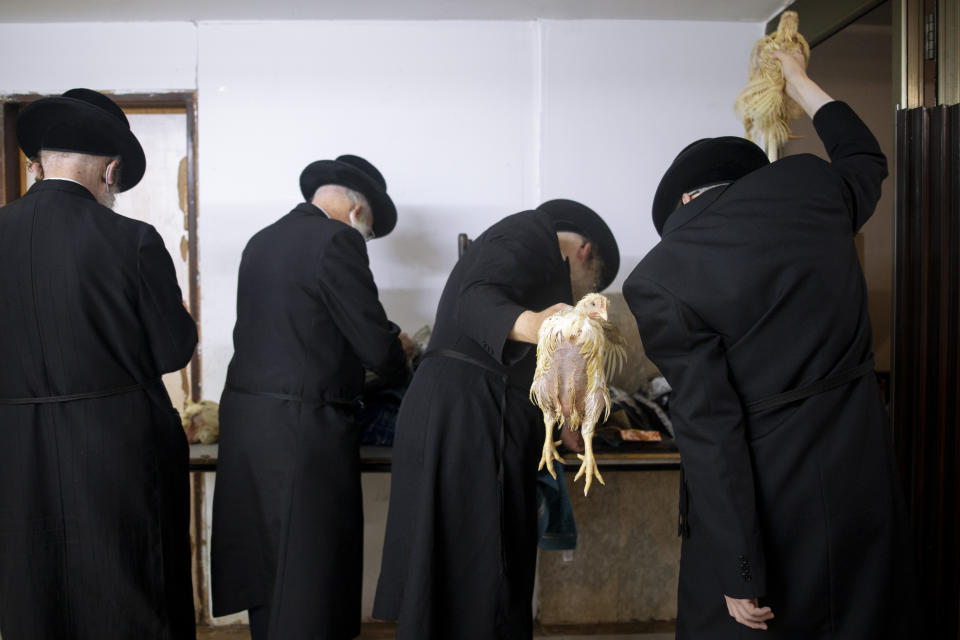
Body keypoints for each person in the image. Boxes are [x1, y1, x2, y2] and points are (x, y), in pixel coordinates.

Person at [623, 52, 911, 638]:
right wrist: (801, 82)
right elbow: (865, 156)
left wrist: (739, 567)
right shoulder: (814, 190)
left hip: (768, 490)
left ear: (682, 203)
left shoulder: (659, 276)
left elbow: (711, 429)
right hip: (861, 468)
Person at [0, 88, 198, 639]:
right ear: (110, 170)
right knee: (132, 591)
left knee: (35, 591)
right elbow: (171, 349)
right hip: (117, 448)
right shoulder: (131, 239)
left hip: (16, 448)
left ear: (40, 165)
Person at [374, 199, 619, 639]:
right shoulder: (529, 232)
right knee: (482, 578)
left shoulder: (533, 259)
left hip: (466, 412)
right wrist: (543, 326)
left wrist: (566, 420)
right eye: (590, 287)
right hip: (468, 416)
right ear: (585, 252)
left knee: (458, 576)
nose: (580, 297)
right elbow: (476, 301)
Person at [211, 155, 411, 639]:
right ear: (359, 213)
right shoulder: (337, 239)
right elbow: (373, 345)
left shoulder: (262, 239)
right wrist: (398, 352)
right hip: (301, 432)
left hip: (247, 426)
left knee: (268, 568)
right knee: (309, 576)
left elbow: (294, 333)